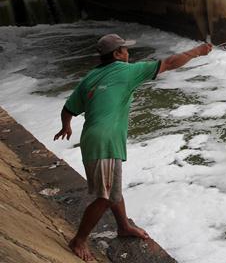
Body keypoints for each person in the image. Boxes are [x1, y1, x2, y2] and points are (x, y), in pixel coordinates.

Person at [54, 34, 212, 261]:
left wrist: (66, 126)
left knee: (113, 189)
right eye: (125, 50)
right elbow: (168, 63)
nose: (129, 53)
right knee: (105, 196)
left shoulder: (91, 77)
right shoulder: (127, 71)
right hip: (105, 141)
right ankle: (78, 240)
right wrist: (198, 51)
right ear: (117, 54)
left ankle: (123, 226)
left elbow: (68, 108)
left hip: (95, 138)